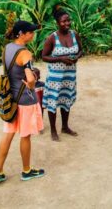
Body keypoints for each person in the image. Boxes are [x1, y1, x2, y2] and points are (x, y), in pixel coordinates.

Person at [0, 20, 45, 184]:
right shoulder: (25, 53)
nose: (33, 35)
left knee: (8, 134)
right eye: (30, 32)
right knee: (25, 136)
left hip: (11, 99)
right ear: (22, 34)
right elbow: (30, 79)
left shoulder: (7, 48)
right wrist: (32, 82)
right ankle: (26, 170)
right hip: (25, 100)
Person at [42, 9, 82, 141]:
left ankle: (65, 127)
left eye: (68, 20)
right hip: (55, 78)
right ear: (57, 23)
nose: (67, 23)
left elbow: (81, 51)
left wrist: (76, 57)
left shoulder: (74, 35)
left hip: (69, 76)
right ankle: (53, 130)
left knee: (66, 100)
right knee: (53, 102)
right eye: (63, 21)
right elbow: (44, 57)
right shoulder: (52, 38)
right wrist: (60, 59)